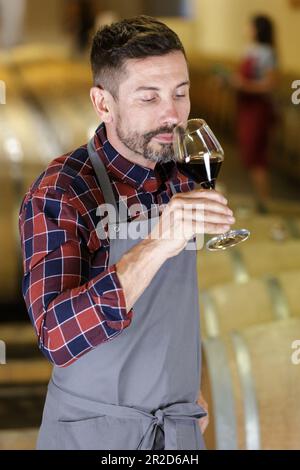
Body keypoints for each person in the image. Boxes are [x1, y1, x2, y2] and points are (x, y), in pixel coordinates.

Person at [19, 15, 235, 450]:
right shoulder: (62, 191)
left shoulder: (180, 175)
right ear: (103, 103)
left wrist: (188, 386)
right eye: (148, 97)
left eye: (181, 93)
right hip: (94, 435)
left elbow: (175, 306)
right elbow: (56, 336)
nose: (172, 114)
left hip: (175, 430)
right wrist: (156, 243)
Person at [233, 15, 278, 211]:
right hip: (245, 106)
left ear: (258, 29)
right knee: (248, 154)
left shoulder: (267, 52)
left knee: (256, 154)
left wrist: (245, 85)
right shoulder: (249, 49)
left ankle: (264, 200)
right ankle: (260, 199)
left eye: (249, 26)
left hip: (258, 109)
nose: (246, 28)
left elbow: (270, 84)